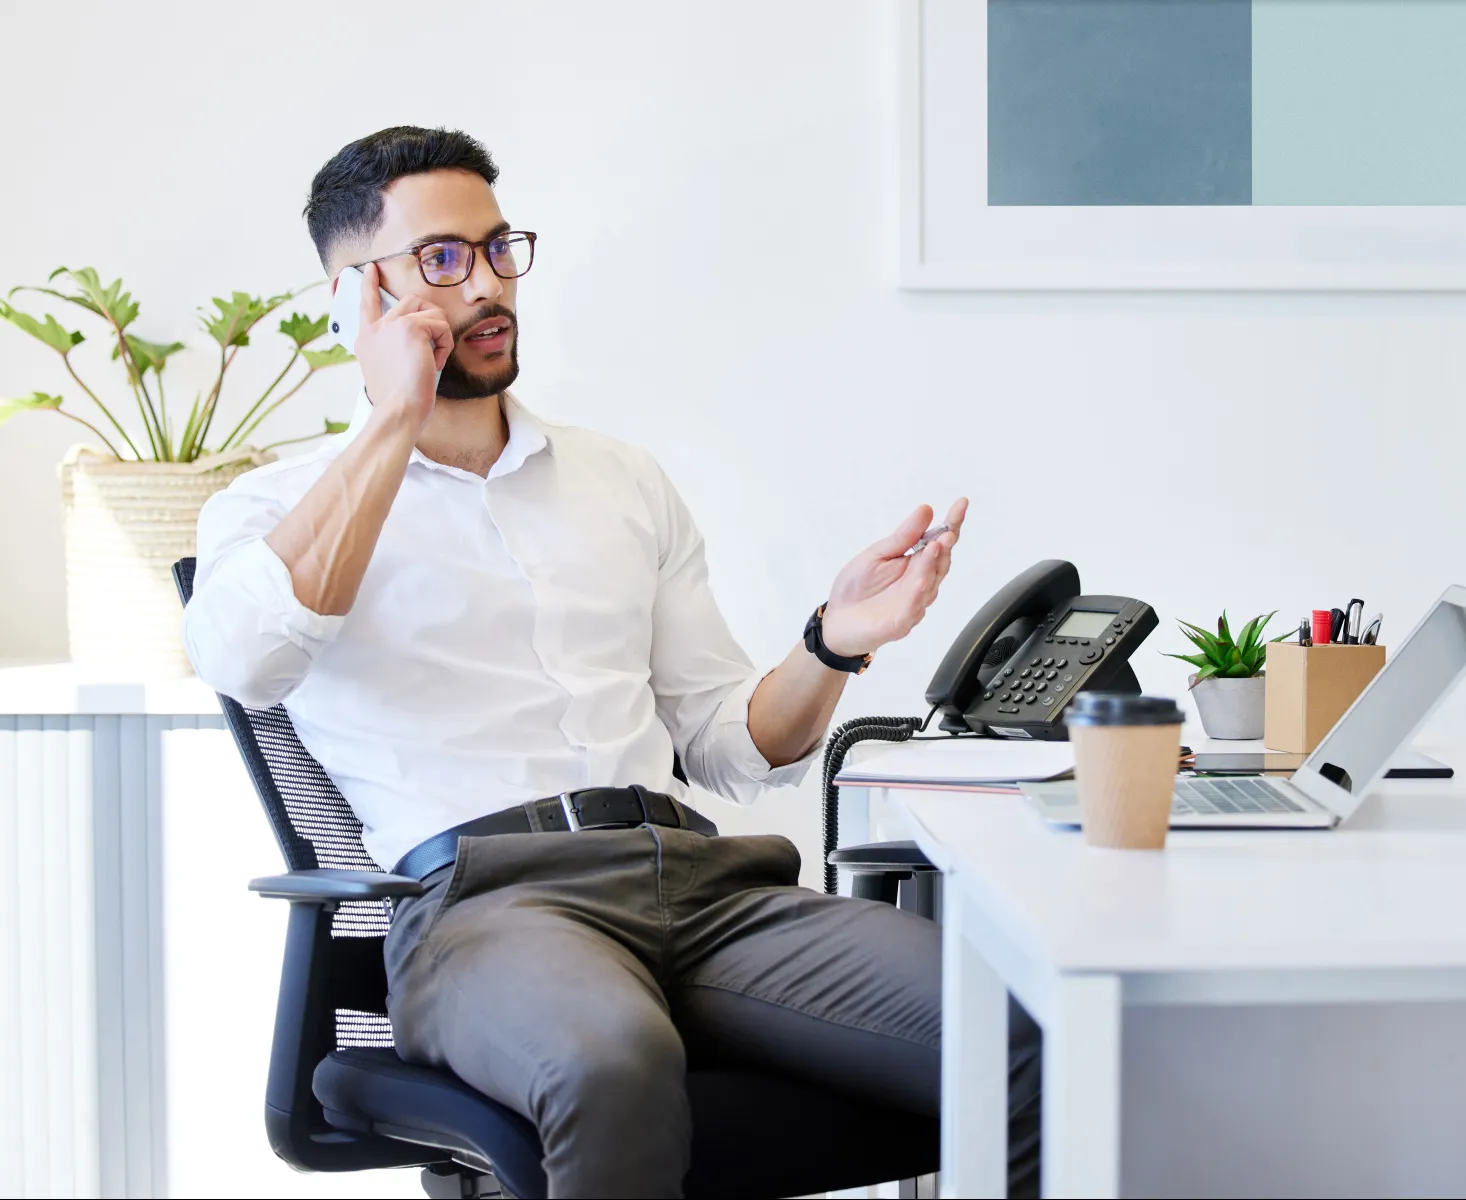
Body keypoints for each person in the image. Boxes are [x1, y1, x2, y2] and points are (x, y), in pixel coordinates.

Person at [184, 125, 1038, 1198]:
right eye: (443, 259)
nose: (488, 284)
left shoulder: (618, 480)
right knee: (608, 1064)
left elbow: (732, 744)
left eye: (500, 248)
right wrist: (393, 417)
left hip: (704, 885)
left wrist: (832, 642)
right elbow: (244, 660)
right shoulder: (272, 507)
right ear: (356, 295)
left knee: (1033, 1027)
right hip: (487, 907)